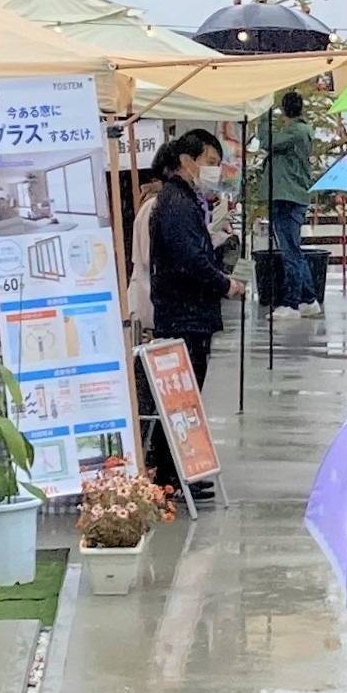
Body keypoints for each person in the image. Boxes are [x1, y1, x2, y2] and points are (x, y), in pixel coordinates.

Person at [143, 133, 233, 496]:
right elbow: (190, 259)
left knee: (184, 395)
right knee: (179, 397)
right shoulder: (176, 202)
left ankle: (175, 472)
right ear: (187, 159)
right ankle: (170, 475)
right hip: (184, 314)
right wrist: (224, 284)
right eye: (209, 160)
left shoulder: (183, 199)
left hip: (188, 313)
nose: (213, 169)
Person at [258, 90, 325, 310]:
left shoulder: (294, 132)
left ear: (284, 110)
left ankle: (292, 302)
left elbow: (266, 141)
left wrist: (263, 114)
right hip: (292, 196)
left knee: (290, 251)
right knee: (293, 249)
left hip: (287, 197)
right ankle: (309, 299)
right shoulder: (300, 131)